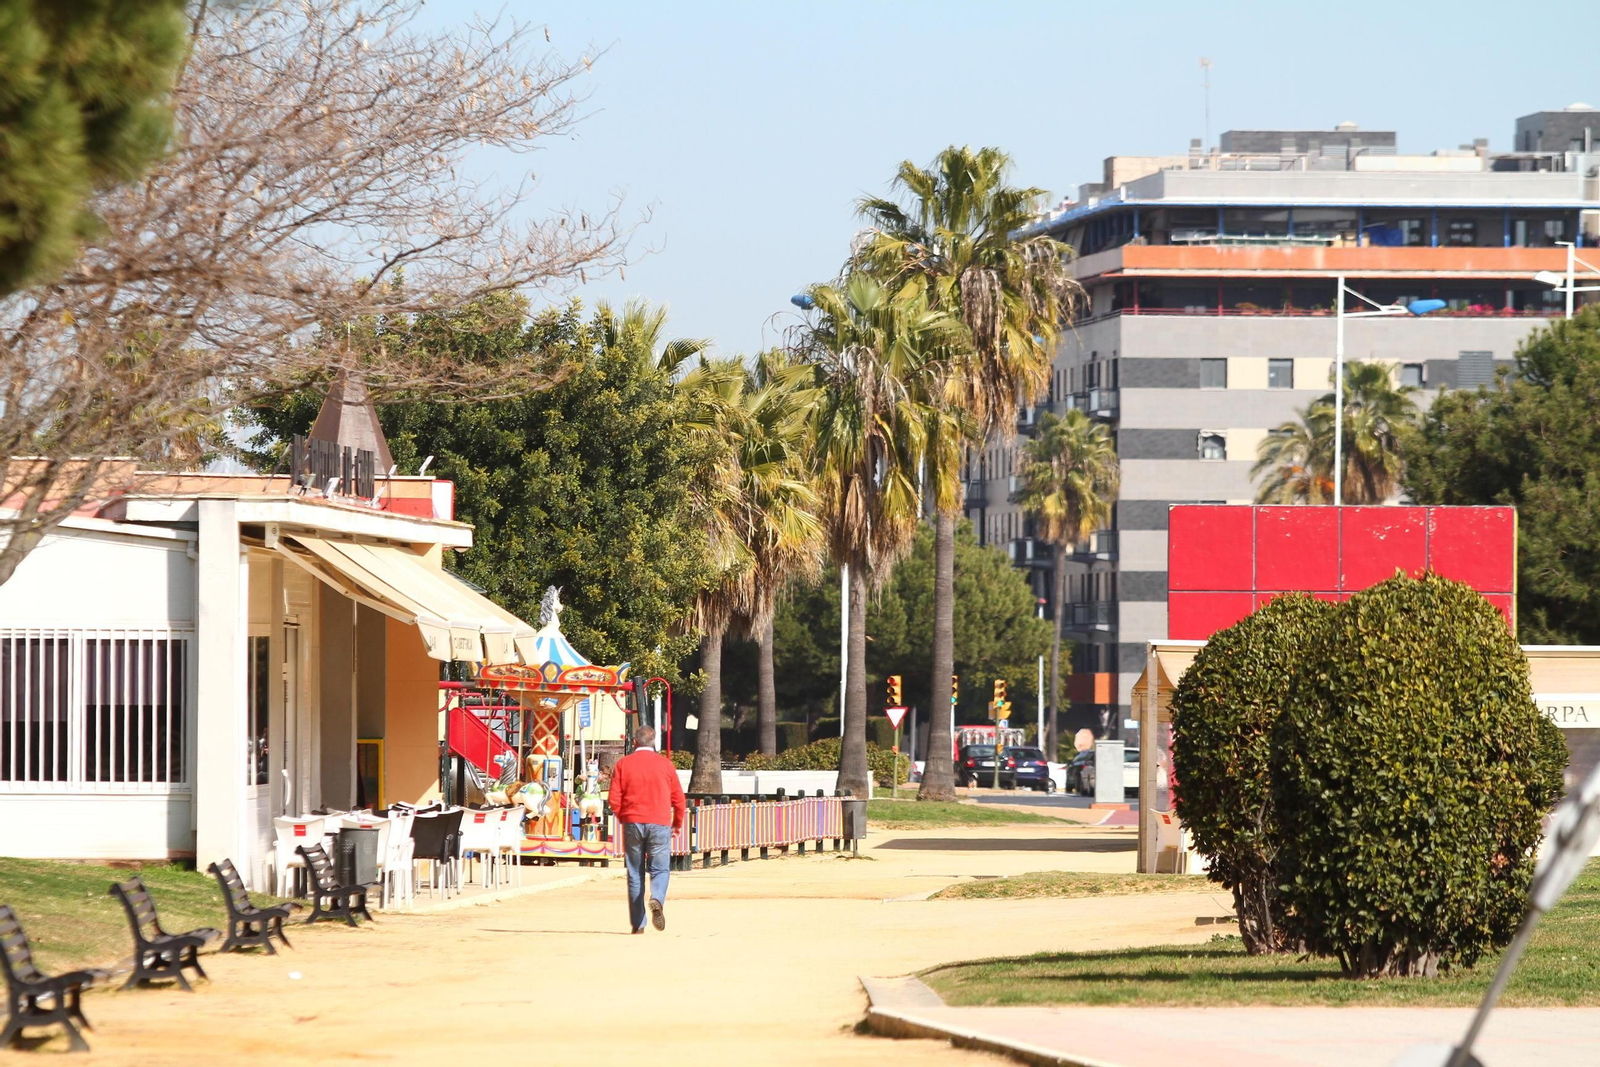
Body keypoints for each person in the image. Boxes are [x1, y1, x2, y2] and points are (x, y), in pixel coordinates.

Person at [606, 725, 685, 933]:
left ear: (634, 742)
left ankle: (638, 925)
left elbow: (613, 799)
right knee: (660, 869)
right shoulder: (666, 765)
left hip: (633, 822)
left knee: (635, 873)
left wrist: (624, 816)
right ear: (654, 742)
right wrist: (677, 824)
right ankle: (657, 897)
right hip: (659, 822)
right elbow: (679, 799)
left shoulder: (623, 764)